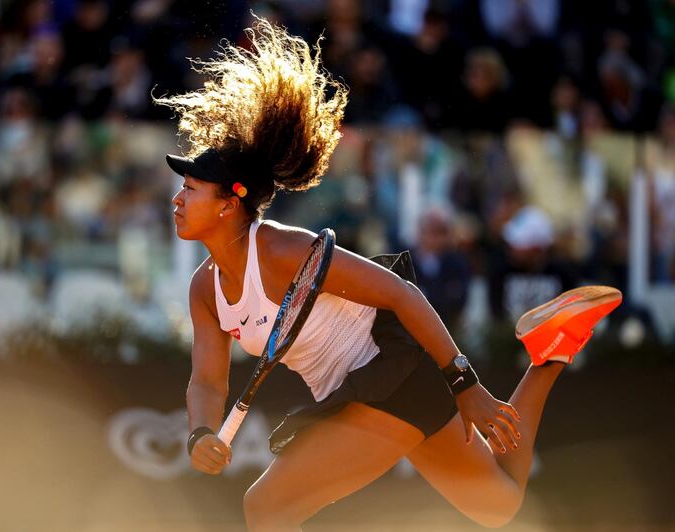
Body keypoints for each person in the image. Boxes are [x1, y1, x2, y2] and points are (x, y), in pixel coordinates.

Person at [158, 19, 621, 530]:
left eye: (193, 188)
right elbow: (206, 379)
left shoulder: (284, 250)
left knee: (265, 507)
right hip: (365, 392)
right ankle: (551, 353)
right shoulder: (204, 288)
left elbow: (401, 294)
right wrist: (202, 433)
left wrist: (465, 384)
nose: (178, 199)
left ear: (230, 204)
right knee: (500, 506)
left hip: (392, 375)